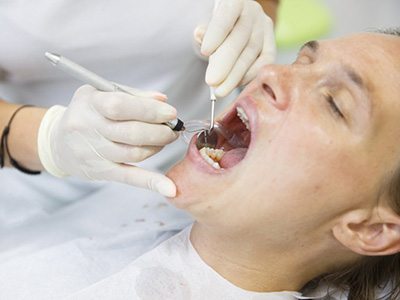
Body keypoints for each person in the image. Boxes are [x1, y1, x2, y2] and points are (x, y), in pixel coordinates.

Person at [39, 29, 397, 299]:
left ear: (371, 229)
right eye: (300, 62)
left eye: (334, 103)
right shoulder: (125, 197)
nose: (270, 72)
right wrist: (39, 138)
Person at [0, 0, 277, 199]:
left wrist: (246, 23)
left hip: (205, 171)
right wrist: (47, 139)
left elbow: (267, 6)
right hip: (37, 187)